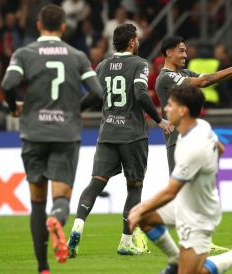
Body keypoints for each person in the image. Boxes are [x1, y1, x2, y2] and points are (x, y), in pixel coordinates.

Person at [0, 4, 103, 274]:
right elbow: (97, 92)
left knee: (36, 201)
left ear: (38, 25)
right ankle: (57, 218)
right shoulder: (77, 55)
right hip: (65, 134)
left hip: (33, 133)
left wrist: (14, 107)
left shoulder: (24, 54)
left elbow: (8, 85)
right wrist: (74, 109)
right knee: (60, 199)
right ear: (63, 27)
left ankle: (43, 267)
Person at [128, 85, 232, 274]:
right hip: (184, 203)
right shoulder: (201, 125)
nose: (165, 109)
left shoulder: (194, 147)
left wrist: (140, 207)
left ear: (183, 111)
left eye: (170, 105)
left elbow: (171, 191)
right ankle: (176, 259)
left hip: (198, 215)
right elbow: (220, 149)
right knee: (145, 217)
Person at [67, 23, 172, 258]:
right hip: (132, 134)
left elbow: (93, 96)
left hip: (107, 134)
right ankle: (126, 241)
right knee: (134, 187)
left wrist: (75, 111)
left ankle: (77, 226)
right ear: (132, 42)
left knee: (96, 182)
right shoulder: (140, 64)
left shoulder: (103, 65)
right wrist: (159, 120)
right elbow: (140, 94)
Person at [155, 36, 232, 253]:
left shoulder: (182, 74)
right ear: (168, 53)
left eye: (185, 51)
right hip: (177, 140)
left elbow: (208, 79)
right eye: (181, 51)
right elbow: (201, 83)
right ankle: (144, 222)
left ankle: (198, 240)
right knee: (180, 191)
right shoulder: (165, 78)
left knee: (192, 190)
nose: (185, 55)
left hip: (190, 138)